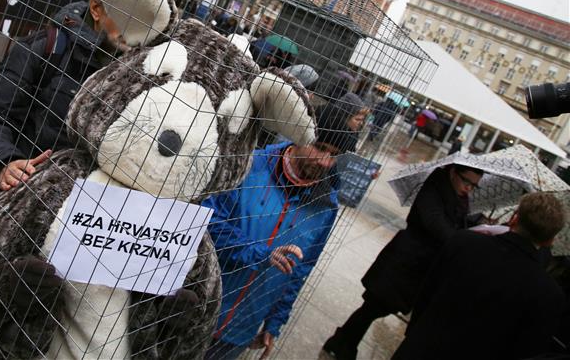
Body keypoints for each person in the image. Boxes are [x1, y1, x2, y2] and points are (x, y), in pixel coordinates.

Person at [0, 0, 174, 212]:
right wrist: (5, 163)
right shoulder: (46, 48)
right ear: (96, 9)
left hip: (82, 218)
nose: (135, 30)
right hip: (19, 204)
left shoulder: (140, 76)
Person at [202, 115, 360, 360]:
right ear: (298, 136)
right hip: (197, 308)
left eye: (333, 154)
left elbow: (299, 271)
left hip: (240, 330)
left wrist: (274, 322)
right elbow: (208, 224)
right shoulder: (250, 165)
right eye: (319, 147)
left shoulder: (325, 207)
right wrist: (261, 254)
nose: (323, 161)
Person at [323, 163, 485, 359]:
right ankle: (342, 345)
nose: (468, 187)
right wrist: (461, 239)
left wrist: (477, 225)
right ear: (453, 172)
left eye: (474, 185)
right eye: (466, 181)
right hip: (405, 260)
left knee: (376, 308)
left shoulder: (461, 199)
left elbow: (455, 225)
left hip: (417, 266)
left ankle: (342, 343)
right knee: (374, 307)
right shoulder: (434, 188)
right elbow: (435, 223)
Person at [393, 192, 566, 360]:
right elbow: (526, 350)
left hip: (420, 349)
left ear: (514, 218)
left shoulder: (463, 242)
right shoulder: (549, 294)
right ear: (549, 241)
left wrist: (414, 335)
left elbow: (426, 293)